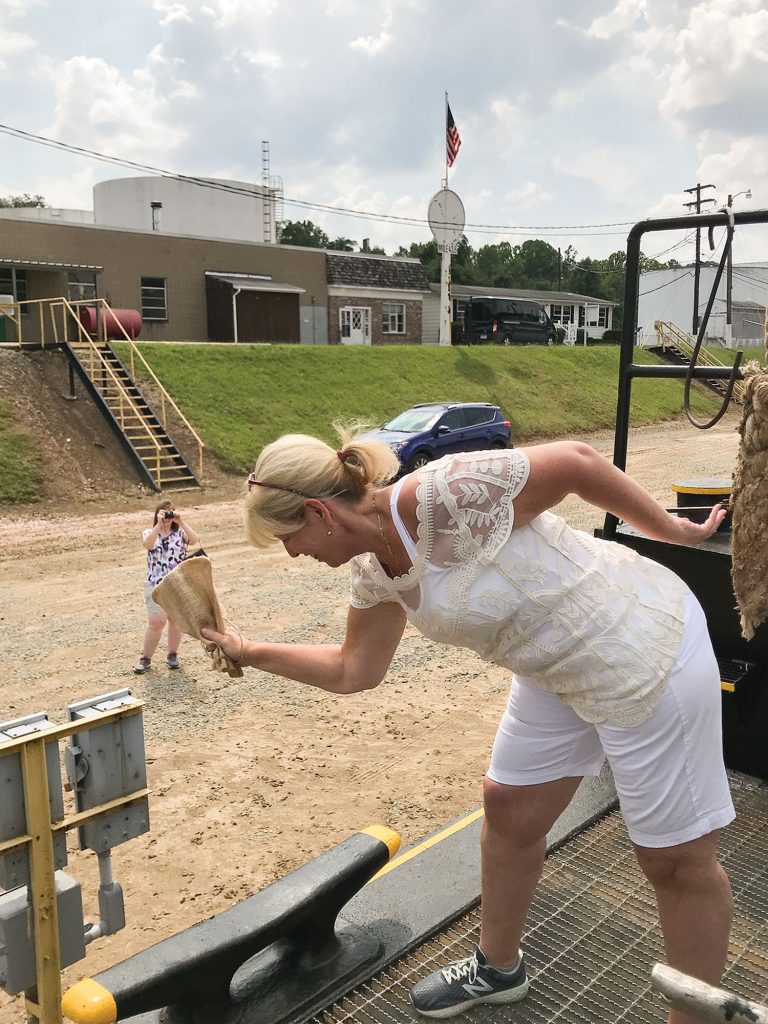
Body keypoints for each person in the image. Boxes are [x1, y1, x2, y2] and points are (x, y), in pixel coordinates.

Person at [202, 426, 733, 1024]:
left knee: (674, 862)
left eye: (287, 537)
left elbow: (579, 463)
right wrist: (247, 650)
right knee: (507, 809)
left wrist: (674, 530)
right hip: (550, 664)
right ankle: (497, 968)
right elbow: (354, 670)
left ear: (320, 512)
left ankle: (695, 1019)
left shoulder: (441, 495)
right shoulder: (374, 569)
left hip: (635, 644)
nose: (292, 553)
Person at [134, 500, 200, 675]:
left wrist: (181, 521)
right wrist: (158, 525)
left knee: (176, 621)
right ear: (157, 514)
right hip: (155, 583)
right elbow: (148, 544)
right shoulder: (149, 532)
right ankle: (145, 659)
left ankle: (172, 655)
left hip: (177, 583)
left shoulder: (179, 534)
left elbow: (194, 539)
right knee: (156, 621)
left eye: (170, 513)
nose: (167, 517)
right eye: (164, 513)